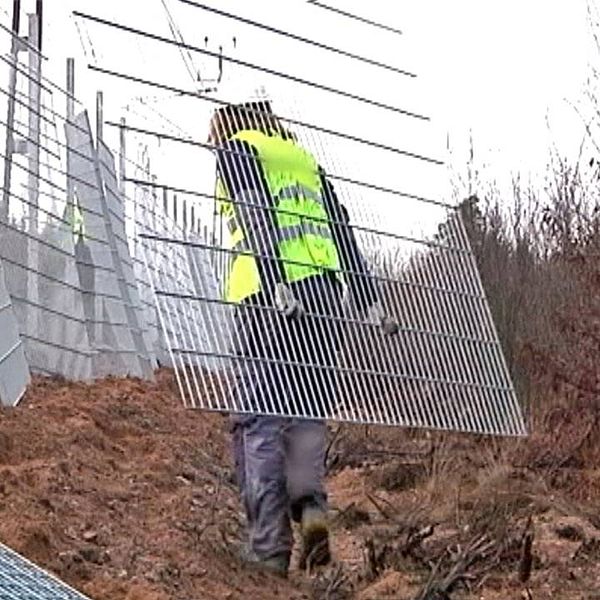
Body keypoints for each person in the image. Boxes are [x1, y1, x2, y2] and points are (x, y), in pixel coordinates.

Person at [208, 95, 397, 577]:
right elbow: (341, 225)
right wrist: (366, 295)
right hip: (325, 299)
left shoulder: (239, 148)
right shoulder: (302, 159)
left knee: (259, 420)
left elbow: (254, 214)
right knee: (306, 416)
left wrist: (274, 281)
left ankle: (269, 548)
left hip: (270, 300)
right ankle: (311, 509)